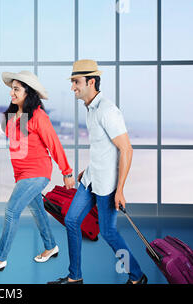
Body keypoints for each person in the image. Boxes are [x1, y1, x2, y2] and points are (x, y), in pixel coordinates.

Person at [48, 59, 147, 284]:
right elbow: (104, 148)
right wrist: (87, 170)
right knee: (72, 220)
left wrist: (120, 190)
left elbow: (126, 149)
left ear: (91, 81)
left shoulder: (108, 111)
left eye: (76, 82)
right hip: (91, 180)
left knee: (108, 233)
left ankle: (137, 277)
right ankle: (75, 278)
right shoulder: (90, 109)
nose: (72, 87)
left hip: (107, 187)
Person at [0, 71, 75, 273]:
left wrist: (66, 172)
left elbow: (54, 144)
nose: (12, 93)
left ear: (28, 92)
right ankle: (51, 246)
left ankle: (0, 258)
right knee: (38, 210)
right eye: (11, 88)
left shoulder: (39, 116)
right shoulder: (14, 117)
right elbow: (19, 149)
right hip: (23, 175)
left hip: (38, 172)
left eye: (16, 89)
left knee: (12, 210)